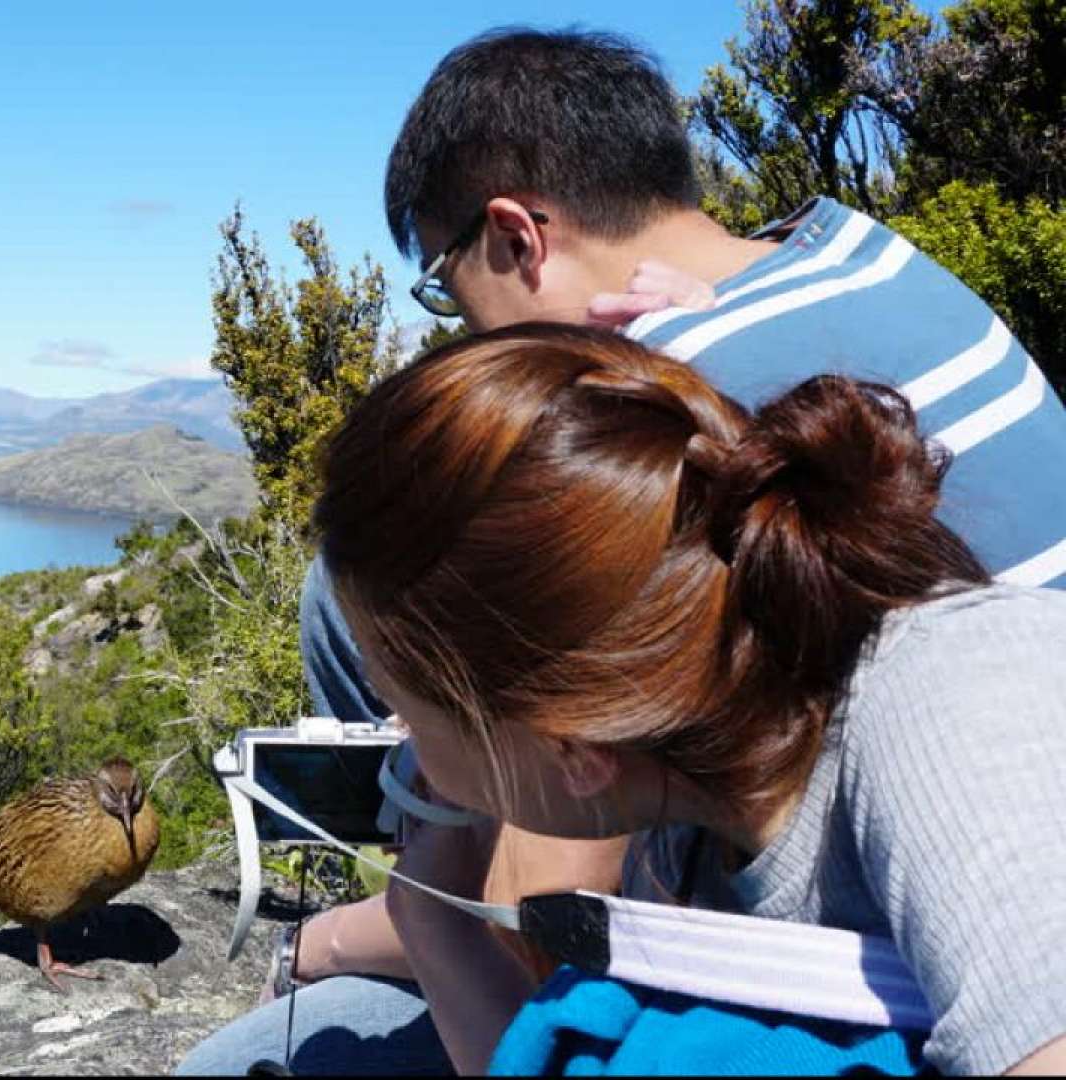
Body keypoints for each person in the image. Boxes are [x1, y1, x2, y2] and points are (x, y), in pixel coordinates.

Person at [181, 25, 1066, 1076]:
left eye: (444, 287)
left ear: (515, 237)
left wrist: (379, 912)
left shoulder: (947, 684)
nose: (464, 333)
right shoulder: (849, 265)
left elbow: (534, 917)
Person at [213, 325, 1066, 1074]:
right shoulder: (680, 822)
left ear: (572, 748)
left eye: (411, 720)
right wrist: (435, 924)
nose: (404, 749)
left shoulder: (962, 694)